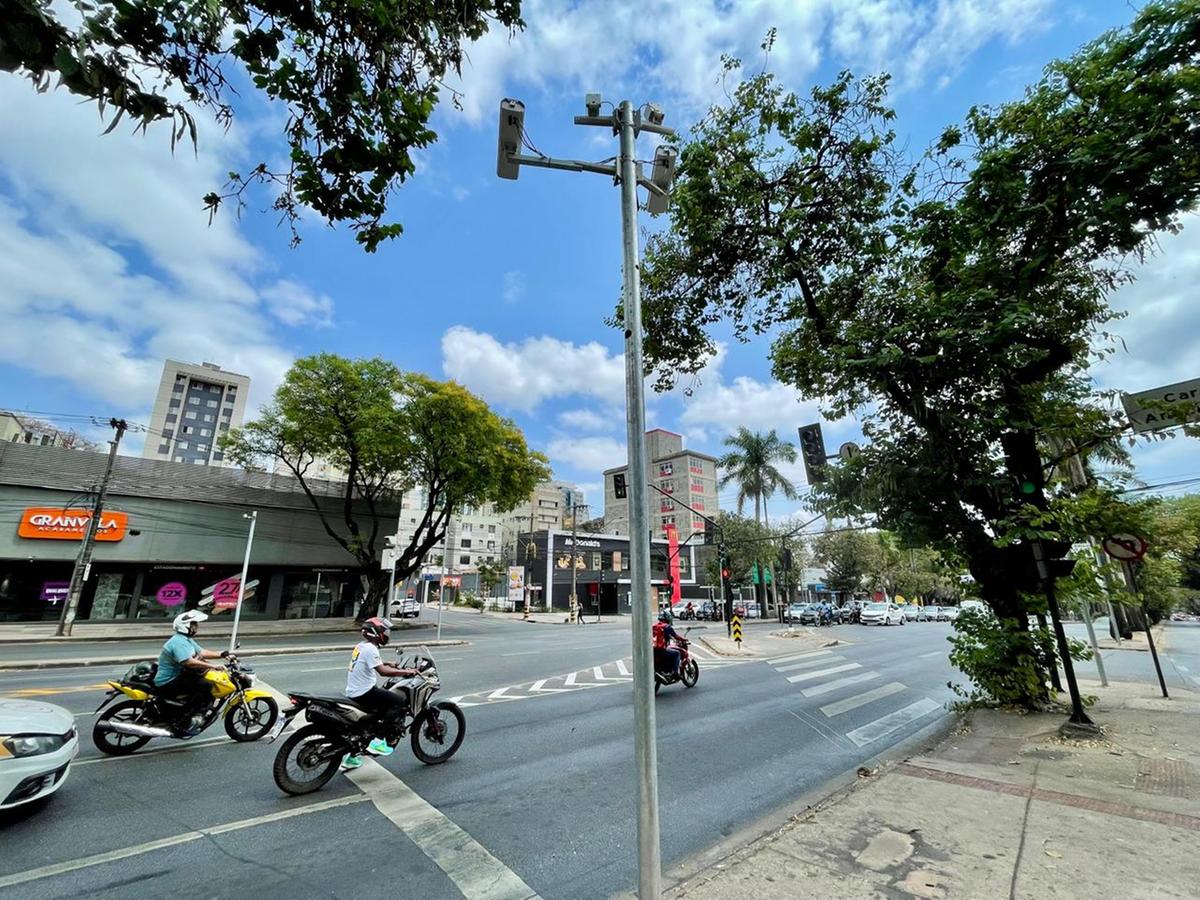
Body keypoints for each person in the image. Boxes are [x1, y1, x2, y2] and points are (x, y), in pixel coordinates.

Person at [342, 616, 420, 770]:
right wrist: (406, 672)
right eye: (385, 631)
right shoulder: (371, 648)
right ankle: (378, 741)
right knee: (398, 702)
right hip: (365, 692)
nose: (387, 635)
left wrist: (387, 662)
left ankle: (352, 757)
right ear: (376, 632)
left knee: (377, 714)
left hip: (354, 691)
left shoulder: (362, 646)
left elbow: (371, 662)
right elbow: (383, 672)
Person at [153, 610, 228, 731]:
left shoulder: (186, 639)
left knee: (202, 682)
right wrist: (213, 666)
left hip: (178, 676)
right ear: (185, 626)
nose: (196, 627)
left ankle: (193, 713)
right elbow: (188, 662)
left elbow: (201, 652)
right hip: (168, 680)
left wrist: (222, 654)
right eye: (194, 624)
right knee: (206, 685)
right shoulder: (178, 642)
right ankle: (186, 719)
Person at [652, 611, 682, 678]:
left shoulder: (654, 626)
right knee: (677, 653)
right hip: (660, 651)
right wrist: (684, 639)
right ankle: (675, 673)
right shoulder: (667, 627)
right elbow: (676, 636)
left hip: (652, 650)